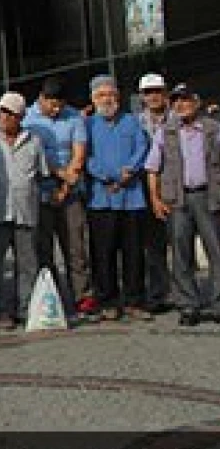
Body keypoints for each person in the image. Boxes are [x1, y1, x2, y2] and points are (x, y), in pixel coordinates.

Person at [146, 85, 220, 326]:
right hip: (177, 199)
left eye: (186, 100)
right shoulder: (165, 132)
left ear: (197, 103)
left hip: (208, 196)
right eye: (176, 100)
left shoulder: (212, 128)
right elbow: (152, 169)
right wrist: (155, 199)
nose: (181, 104)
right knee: (181, 254)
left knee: (216, 250)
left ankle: (217, 303)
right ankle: (188, 305)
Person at [23, 78, 97, 322]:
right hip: (41, 188)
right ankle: (52, 298)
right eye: (51, 105)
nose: (56, 110)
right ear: (41, 98)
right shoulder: (28, 119)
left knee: (76, 246)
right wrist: (59, 174)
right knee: (44, 249)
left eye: (60, 105)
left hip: (71, 190)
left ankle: (82, 296)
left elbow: (79, 154)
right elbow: (34, 155)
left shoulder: (74, 117)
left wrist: (66, 185)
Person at [85, 75, 150, 322]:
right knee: (103, 253)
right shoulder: (87, 125)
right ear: (93, 99)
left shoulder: (132, 122)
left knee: (134, 252)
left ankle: (134, 300)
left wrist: (129, 171)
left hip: (131, 198)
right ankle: (107, 302)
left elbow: (142, 148)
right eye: (101, 95)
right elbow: (85, 156)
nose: (107, 100)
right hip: (101, 198)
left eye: (111, 94)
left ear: (118, 97)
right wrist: (108, 176)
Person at [0, 92, 48, 330]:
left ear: (21, 116)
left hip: (26, 211)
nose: (5, 116)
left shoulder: (34, 140)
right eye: (2, 111)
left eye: (10, 113)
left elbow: (42, 173)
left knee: (28, 264)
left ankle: (26, 309)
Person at [137, 72, 173, 314]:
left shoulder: (177, 116)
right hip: (148, 186)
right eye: (148, 92)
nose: (153, 97)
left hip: (175, 183)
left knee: (181, 243)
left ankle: (184, 294)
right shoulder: (136, 122)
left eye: (157, 91)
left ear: (165, 92)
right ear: (142, 96)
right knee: (154, 244)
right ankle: (159, 293)